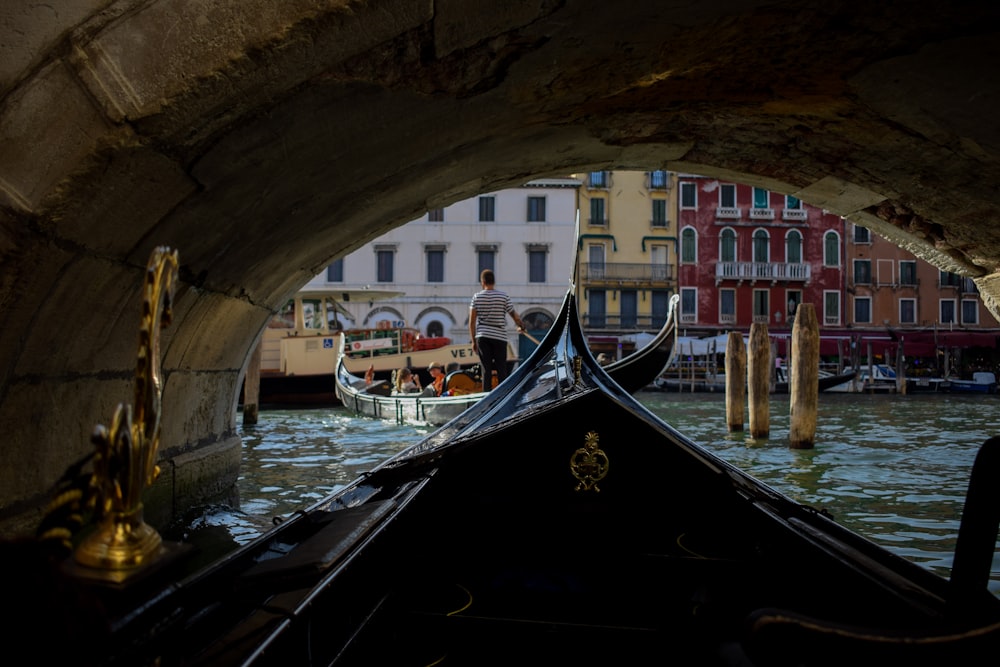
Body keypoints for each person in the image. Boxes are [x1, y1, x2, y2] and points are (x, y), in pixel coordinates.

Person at [470, 269, 525, 390]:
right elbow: (514, 315)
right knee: (502, 369)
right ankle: (503, 395)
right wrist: (521, 326)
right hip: (499, 336)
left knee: (486, 370)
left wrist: (473, 341)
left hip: (483, 336)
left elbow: (472, 322)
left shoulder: (476, 297)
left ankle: (487, 398)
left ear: (482, 282)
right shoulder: (503, 296)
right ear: (493, 282)